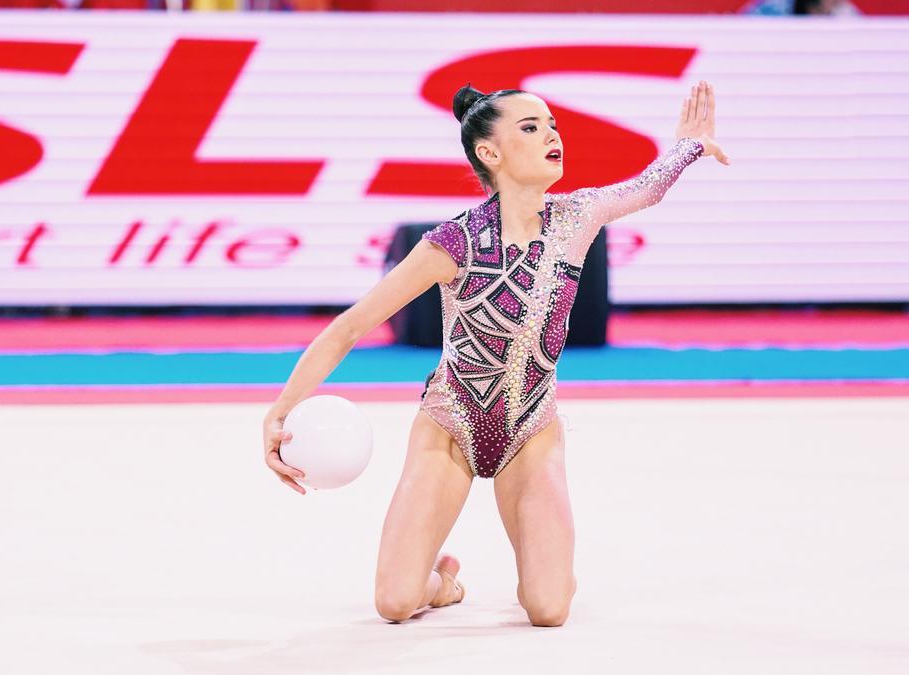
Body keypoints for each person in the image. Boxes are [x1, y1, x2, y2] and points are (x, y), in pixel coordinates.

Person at [260, 80, 730, 627]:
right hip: (450, 426)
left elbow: (647, 188)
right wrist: (281, 411)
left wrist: (688, 146)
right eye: (530, 128)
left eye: (553, 125)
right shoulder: (452, 244)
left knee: (548, 609)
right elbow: (349, 327)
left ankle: (547, 565)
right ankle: (442, 582)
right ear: (490, 152)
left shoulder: (577, 218)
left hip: (530, 429)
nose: (552, 135)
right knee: (394, 602)